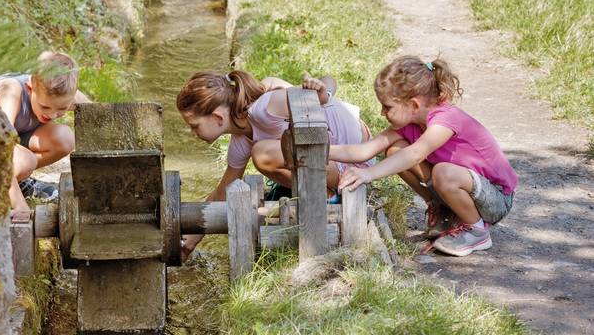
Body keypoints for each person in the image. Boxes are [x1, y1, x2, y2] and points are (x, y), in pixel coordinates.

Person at [332, 55, 517, 257]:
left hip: (495, 198)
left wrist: (369, 174)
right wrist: (323, 150)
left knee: (442, 171)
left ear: (413, 105)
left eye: (387, 107)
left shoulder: (446, 119)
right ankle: (443, 212)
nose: (382, 113)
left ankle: (477, 231)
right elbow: (365, 150)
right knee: (395, 151)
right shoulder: (408, 123)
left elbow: (415, 154)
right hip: (466, 190)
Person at [176, 70, 370, 258]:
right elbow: (222, 191)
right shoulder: (241, 141)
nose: (193, 133)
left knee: (261, 153)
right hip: (327, 161)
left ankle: (327, 196)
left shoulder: (266, 108)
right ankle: (321, 191)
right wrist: (190, 240)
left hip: (353, 160)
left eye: (195, 126)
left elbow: (322, 87)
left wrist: (320, 90)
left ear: (218, 117)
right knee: (262, 151)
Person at [0, 51, 91, 212]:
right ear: (29, 89)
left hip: (17, 139)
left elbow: (99, 116)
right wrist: (20, 206)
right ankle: (6, 183)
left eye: (62, 109)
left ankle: (17, 179)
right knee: (26, 160)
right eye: (45, 107)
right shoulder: (11, 92)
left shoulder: (66, 93)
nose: (52, 115)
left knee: (65, 139)